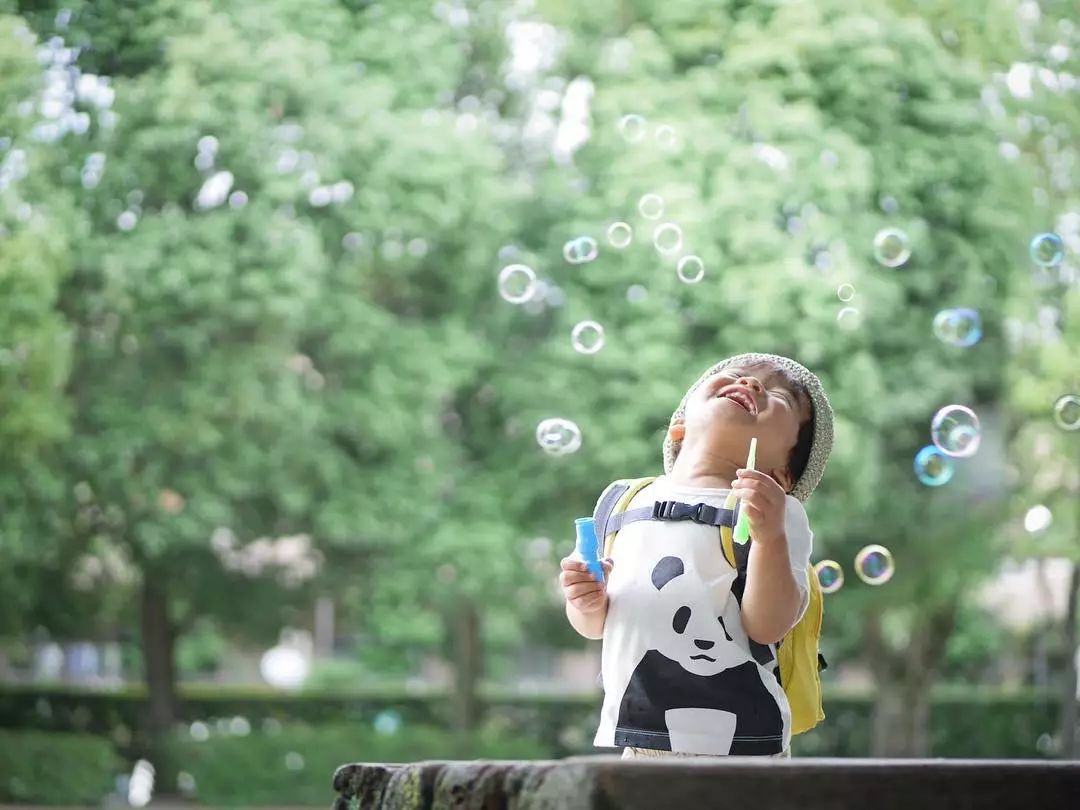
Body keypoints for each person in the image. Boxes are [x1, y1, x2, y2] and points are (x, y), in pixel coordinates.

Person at [559, 352, 833, 758]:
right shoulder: (623, 501)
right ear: (680, 427)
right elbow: (595, 625)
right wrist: (584, 600)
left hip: (744, 747)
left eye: (781, 397)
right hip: (642, 738)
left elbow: (768, 626)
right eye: (735, 375)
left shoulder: (779, 514)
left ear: (783, 475)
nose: (751, 384)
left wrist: (770, 537)